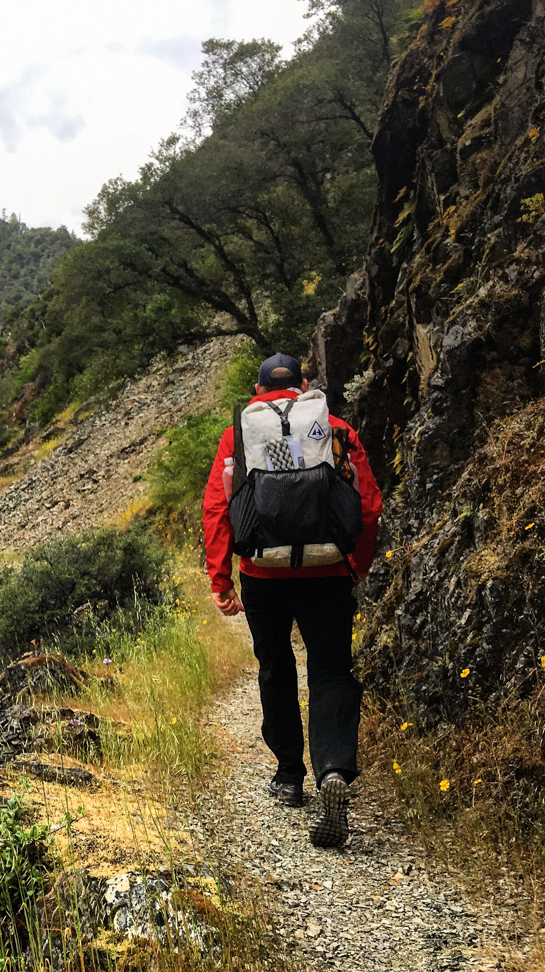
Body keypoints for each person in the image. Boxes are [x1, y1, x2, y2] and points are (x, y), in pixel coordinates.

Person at [202, 353, 382, 849]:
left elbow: (218, 507)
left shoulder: (241, 432)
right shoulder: (335, 428)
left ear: (258, 389)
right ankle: (333, 771)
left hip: (263, 572)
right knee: (330, 668)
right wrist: (357, 564)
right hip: (327, 571)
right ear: (304, 385)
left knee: (275, 665)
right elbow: (368, 505)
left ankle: (288, 774)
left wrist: (221, 579)